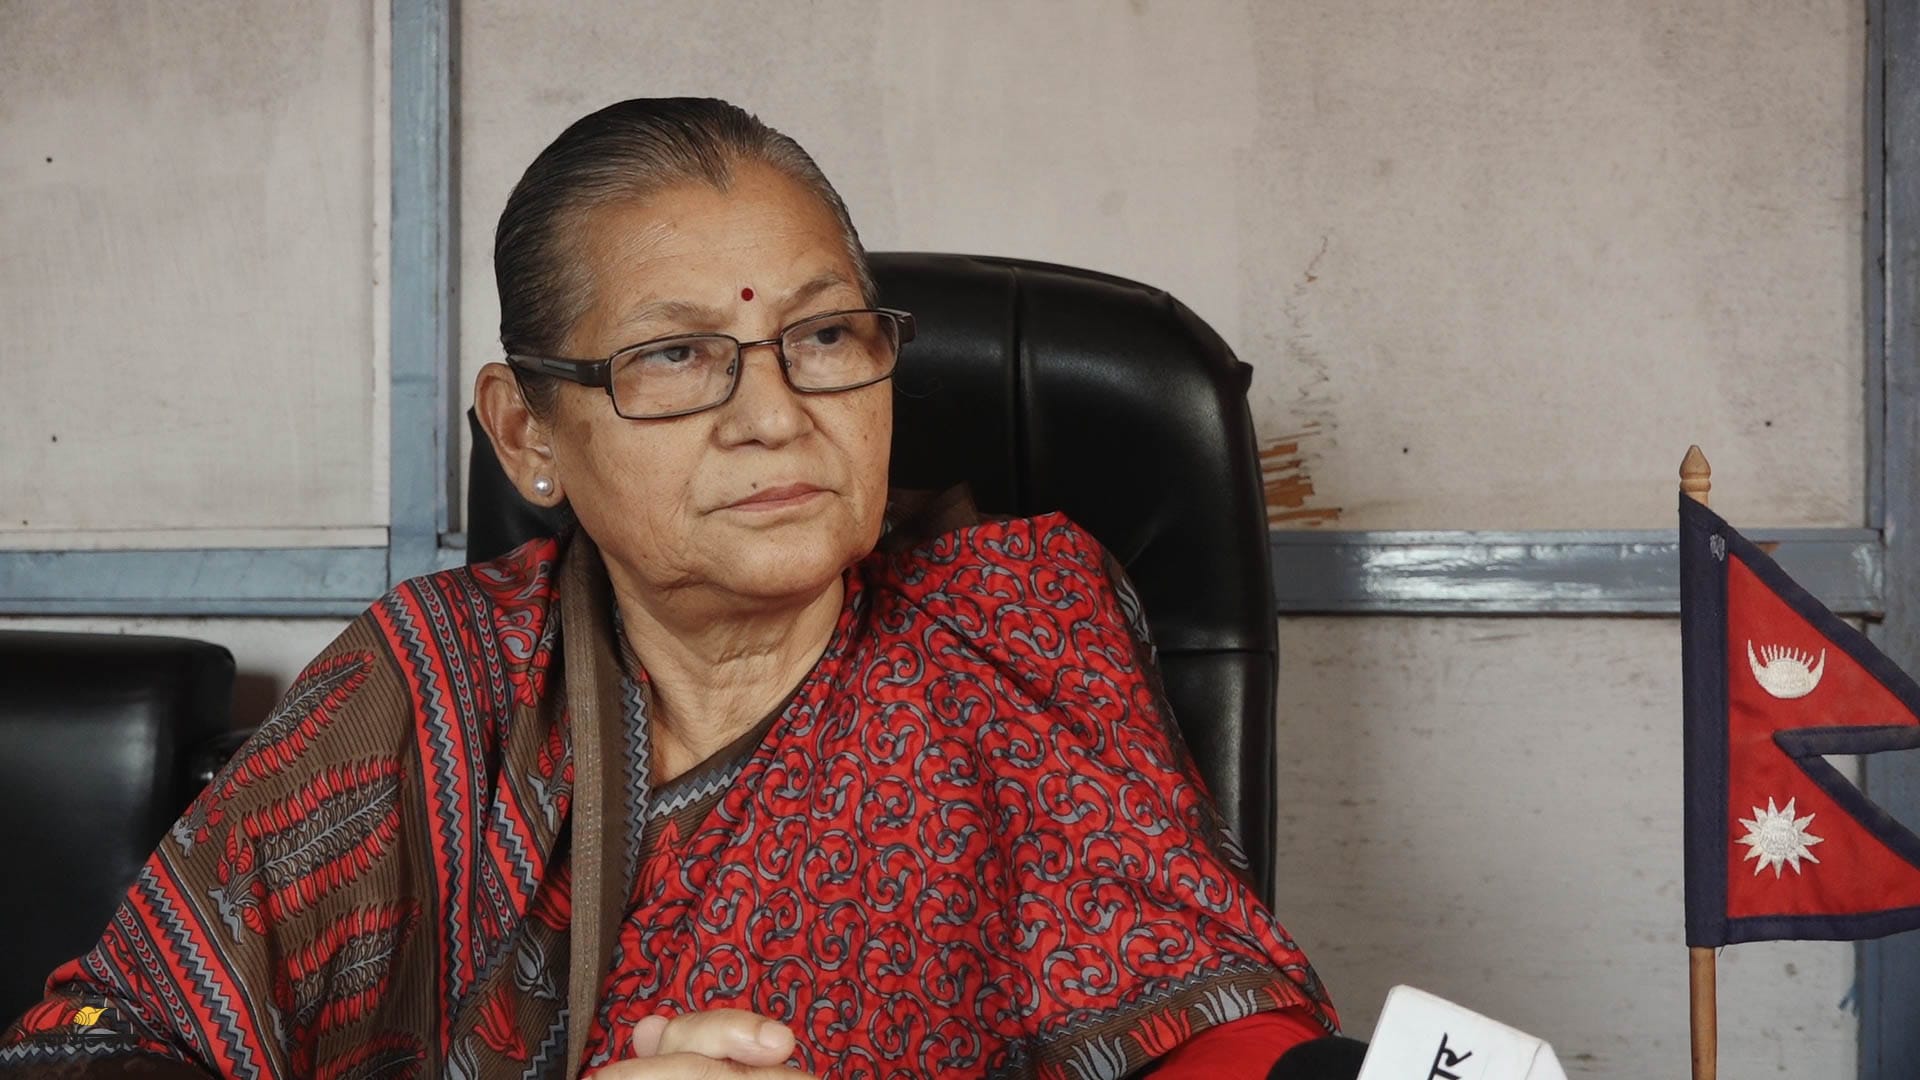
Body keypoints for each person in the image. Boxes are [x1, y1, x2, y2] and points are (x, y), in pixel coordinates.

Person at [2, 98, 1340, 1079]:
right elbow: (101, 1044)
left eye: (824, 334)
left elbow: (1209, 1031)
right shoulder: (442, 682)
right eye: (677, 356)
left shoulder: (1015, 618)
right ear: (528, 433)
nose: (775, 415)